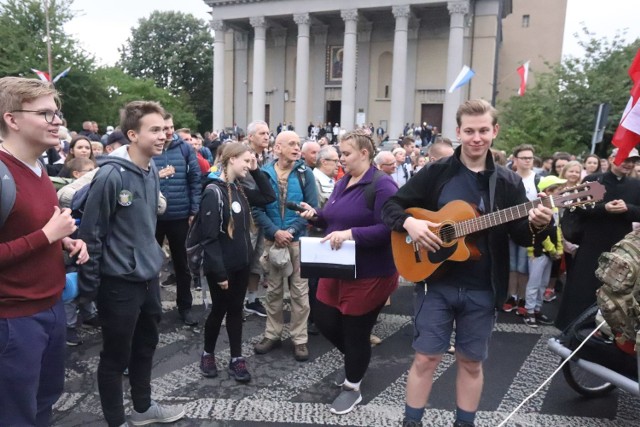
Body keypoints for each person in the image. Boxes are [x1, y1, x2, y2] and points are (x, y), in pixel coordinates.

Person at [381, 100, 552, 427]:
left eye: (484, 130)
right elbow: (390, 206)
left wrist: (539, 223)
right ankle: (411, 422)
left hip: (483, 287)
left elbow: (521, 236)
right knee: (426, 358)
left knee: (471, 362)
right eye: (470, 131)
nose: (477, 138)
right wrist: (410, 224)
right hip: (436, 283)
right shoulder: (436, 172)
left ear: (494, 131)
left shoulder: (507, 182)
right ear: (459, 132)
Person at [78, 101, 185, 427]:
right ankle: (116, 421)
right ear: (132, 134)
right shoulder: (110, 175)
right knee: (114, 357)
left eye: (165, 129)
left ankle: (142, 408)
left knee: (145, 346)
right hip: (118, 283)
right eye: (154, 130)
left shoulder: (150, 169)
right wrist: (89, 292)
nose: (164, 135)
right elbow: (91, 235)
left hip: (148, 277)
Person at [0, 76, 89, 427]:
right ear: (12, 118)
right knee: (14, 415)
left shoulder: (39, 169)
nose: (57, 122)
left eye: (57, 113)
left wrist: (64, 240)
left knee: (43, 403)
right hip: (13, 320)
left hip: (51, 309)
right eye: (45, 114)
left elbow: (33, 230)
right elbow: (37, 234)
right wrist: (46, 234)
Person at [299, 130, 399, 415]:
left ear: (365, 154)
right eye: (340, 153)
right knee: (323, 318)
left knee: (356, 331)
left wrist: (351, 233)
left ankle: (352, 386)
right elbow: (333, 216)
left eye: (346, 153)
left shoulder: (383, 185)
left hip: (370, 272)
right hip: (336, 266)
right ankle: (357, 361)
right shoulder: (344, 180)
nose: (341, 158)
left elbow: (390, 227)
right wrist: (316, 215)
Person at [199, 143, 267, 382]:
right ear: (231, 160)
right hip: (222, 268)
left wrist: (257, 170)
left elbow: (268, 196)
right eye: (246, 161)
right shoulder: (213, 191)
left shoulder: (239, 187)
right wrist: (219, 273)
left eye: (251, 161)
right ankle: (208, 353)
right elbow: (209, 238)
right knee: (219, 311)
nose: (249, 166)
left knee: (236, 311)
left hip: (241, 264)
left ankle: (236, 358)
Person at [555, 147, 640, 329]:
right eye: (625, 159)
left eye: (632, 161)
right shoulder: (593, 180)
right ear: (611, 159)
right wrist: (604, 208)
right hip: (591, 245)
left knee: (615, 293)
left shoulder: (636, 185)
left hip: (621, 250)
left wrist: (629, 209)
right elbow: (577, 207)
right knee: (582, 289)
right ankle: (572, 330)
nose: (628, 164)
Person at [253, 131, 319, 362]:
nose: (296, 147)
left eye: (298, 144)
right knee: (273, 291)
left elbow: (311, 209)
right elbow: (257, 209)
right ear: (277, 148)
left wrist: (290, 231)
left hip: (297, 241)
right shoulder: (263, 173)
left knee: (300, 293)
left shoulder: (305, 174)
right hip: (273, 241)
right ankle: (272, 334)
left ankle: (299, 339)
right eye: (291, 144)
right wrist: (274, 232)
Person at [154, 113, 201, 326]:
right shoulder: (149, 148)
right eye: (164, 128)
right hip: (153, 216)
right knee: (151, 264)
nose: (169, 131)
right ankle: (152, 308)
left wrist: (194, 208)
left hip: (180, 215)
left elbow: (195, 179)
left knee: (182, 264)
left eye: (171, 127)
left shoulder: (184, 148)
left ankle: (185, 307)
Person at [522, 175, 565, 327]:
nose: (562, 192)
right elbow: (541, 233)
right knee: (534, 283)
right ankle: (529, 311)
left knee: (543, 283)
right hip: (537, 252)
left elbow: (556, 230)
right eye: (559, 189)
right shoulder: (540, 208)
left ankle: (538, 309)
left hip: (550, 252)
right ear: (548, 191)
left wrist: (559, 249)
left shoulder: (555, 208)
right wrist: (553, 250)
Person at [503, 144, 540, 315]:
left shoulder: (538, 179)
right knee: (511, 264)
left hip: (529, 227)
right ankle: (511, 296)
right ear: (515, 160)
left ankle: (523, 298)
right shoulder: (508, 178)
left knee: (524, 265)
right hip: (508, 226)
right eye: (523, 158)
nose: (527, 161)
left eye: (530, 158)